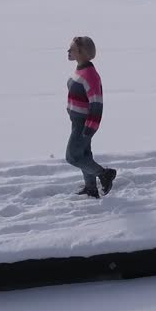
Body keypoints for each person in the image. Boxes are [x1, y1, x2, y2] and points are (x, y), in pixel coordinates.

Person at [66, 36, 117, 198]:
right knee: (85, 155)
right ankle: (91, 188)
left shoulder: (90, 75)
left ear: (81, 52)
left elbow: (96, 104)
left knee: (72, 156)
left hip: (84, 123)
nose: (68, 51)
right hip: (77, 121)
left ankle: (104, 174)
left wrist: (90, 127)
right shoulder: (81, 69)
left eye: (72, 49)